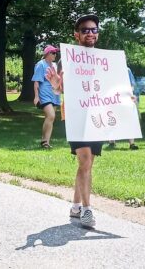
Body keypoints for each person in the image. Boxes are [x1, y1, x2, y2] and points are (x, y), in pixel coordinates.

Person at [46, 15, 102, 227]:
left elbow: (111, 86)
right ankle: (87, 211)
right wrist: (55, 84)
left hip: (97, 115)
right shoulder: (68, 58)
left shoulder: (104, 59)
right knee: (85, 160)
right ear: (76, 34)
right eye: (86, 30)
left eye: (94, 30)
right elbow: (61, 88)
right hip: (74, 115)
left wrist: (126, 98)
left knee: (88, 163)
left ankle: (76, 205)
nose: (90, 33)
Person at [32, 45, 60, 149]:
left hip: (55, 94)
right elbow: (36, 81)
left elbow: (58, 79)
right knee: (51, 115)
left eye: (55, 53)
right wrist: (36, 97)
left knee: (50, 118)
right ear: (47, 54)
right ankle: (44, 141)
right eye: (53, 53)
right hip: (44, 94)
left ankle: (46, 142)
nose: (55, 55)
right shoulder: (41, 64)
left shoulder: (55, 65)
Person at [108, 67, 139, 150]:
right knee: (112, 117)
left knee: (129, 119)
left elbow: (132, 84)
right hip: (113, 98)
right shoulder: (110, 69)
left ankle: (132, 143)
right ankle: (111, 141)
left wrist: (129, 94)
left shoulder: (127, 70)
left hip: (125, 97)